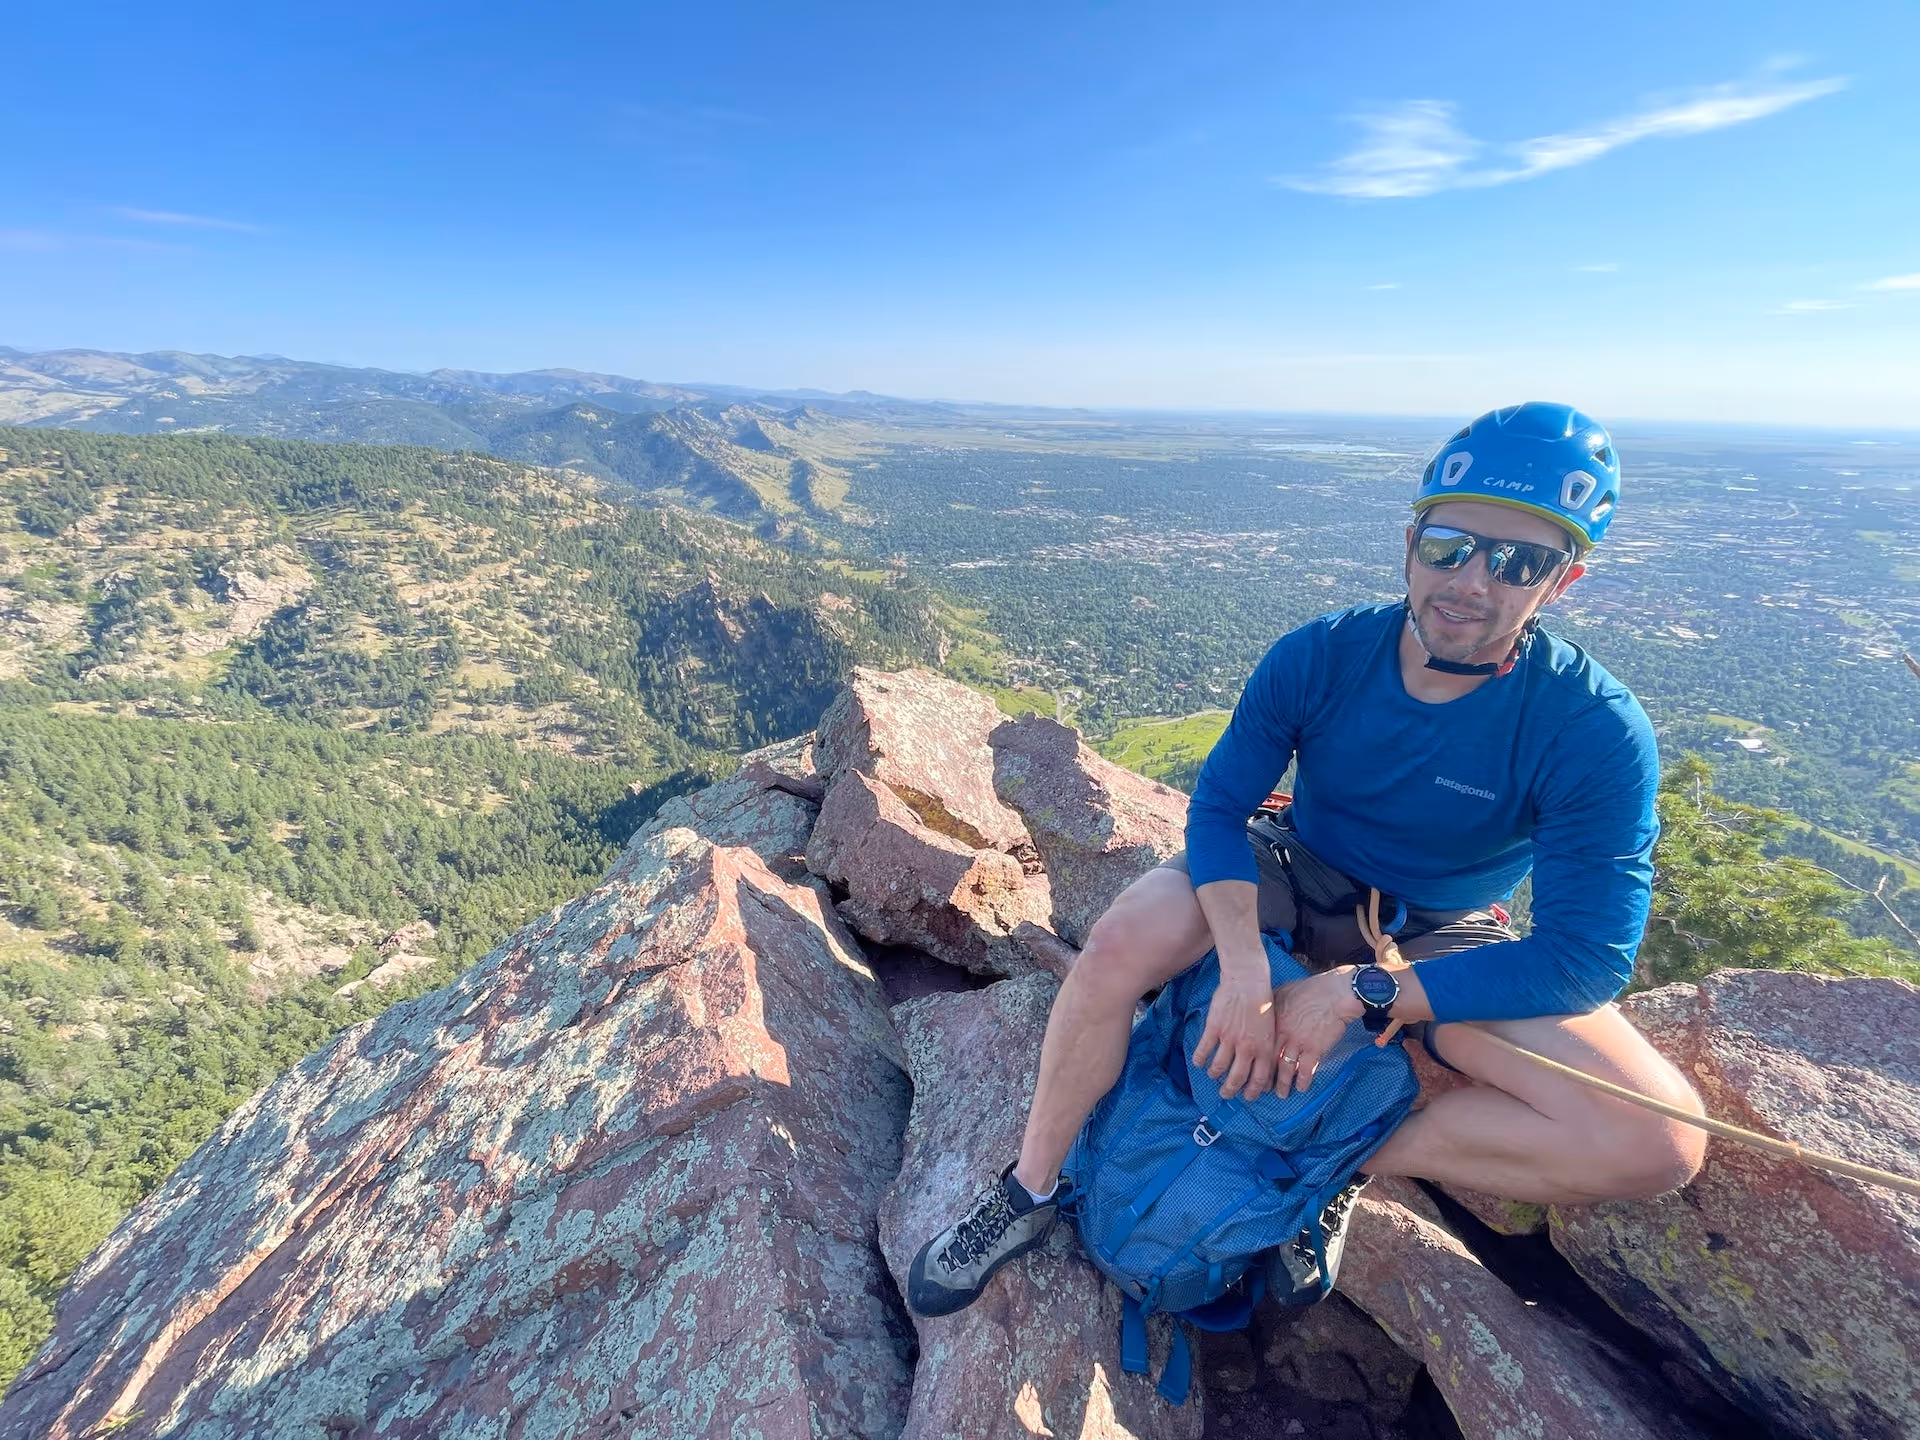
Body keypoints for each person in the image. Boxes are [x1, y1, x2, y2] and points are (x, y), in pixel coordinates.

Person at [905, 401, 1708, 1319]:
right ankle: (1032, 1185)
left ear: (1559, 584)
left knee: (1659, 1143)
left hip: (1441, 927)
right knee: (1122, 945)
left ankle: (1334, 1158)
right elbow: (1218, 808)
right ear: (1411, 540)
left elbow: (1585, 959)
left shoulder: (1591, 730)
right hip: (1298, 864)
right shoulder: (1326, 655)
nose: (1472, 581)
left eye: (1518, 562)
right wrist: (1245, 969)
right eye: (1450, 544)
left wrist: (1361, 995)